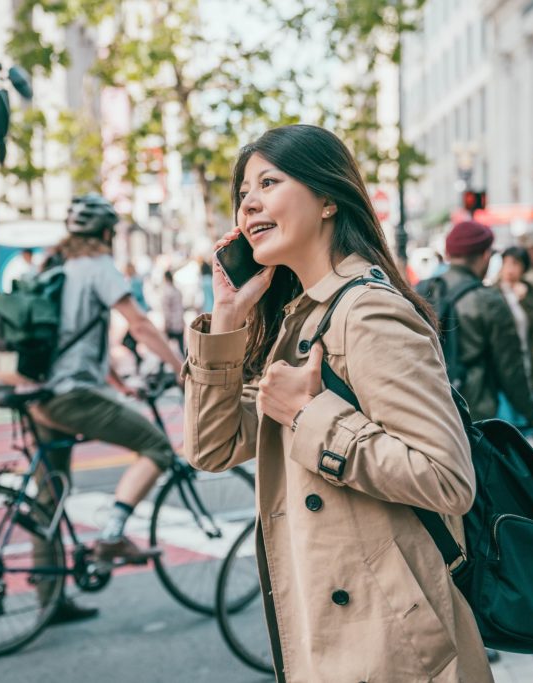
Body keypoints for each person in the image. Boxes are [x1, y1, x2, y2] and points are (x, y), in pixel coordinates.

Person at [183, 124, 492, 682]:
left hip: (395, 648)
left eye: (269, 182)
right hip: (329, 633)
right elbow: (210, 448)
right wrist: (226, 322)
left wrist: (308, 416)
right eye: (244, 192)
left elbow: (448, 478)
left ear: (328, 198)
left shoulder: (368, 312)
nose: (248, 202)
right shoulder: (297, 319)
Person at [31, 193, 185, 621]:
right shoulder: (98, 268)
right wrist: (179, 366)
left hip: (40, 395)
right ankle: (113, 534)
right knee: (157, 448)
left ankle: (49, 601)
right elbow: (136, 322)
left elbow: (74, 339)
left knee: (50, 497)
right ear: (105, 233)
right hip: (72, 396)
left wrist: (118, 383)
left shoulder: (53, 266)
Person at [431, 222, 533, 428]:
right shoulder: (488, 300)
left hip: (433, 406)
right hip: (477, 408)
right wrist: (532, 413)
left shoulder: (425, 289)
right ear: (485, 255)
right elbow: (510, 365)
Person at [499, 246, 533, 397]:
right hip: (502, 360)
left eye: (516, 264)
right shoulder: (492, 292)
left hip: (526, 355)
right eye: (506, 263)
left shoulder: (530, 291)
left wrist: (525, 300)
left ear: (524, 268)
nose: (510, 269)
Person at [161, 270, 185, 356]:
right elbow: (181, 308)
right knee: (181, 347)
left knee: (165, 347)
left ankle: (163, 364)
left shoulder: (166, 292)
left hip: (171, 324)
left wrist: (166, 325)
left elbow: (166, 311)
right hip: (179, 323)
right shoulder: (177, 290)